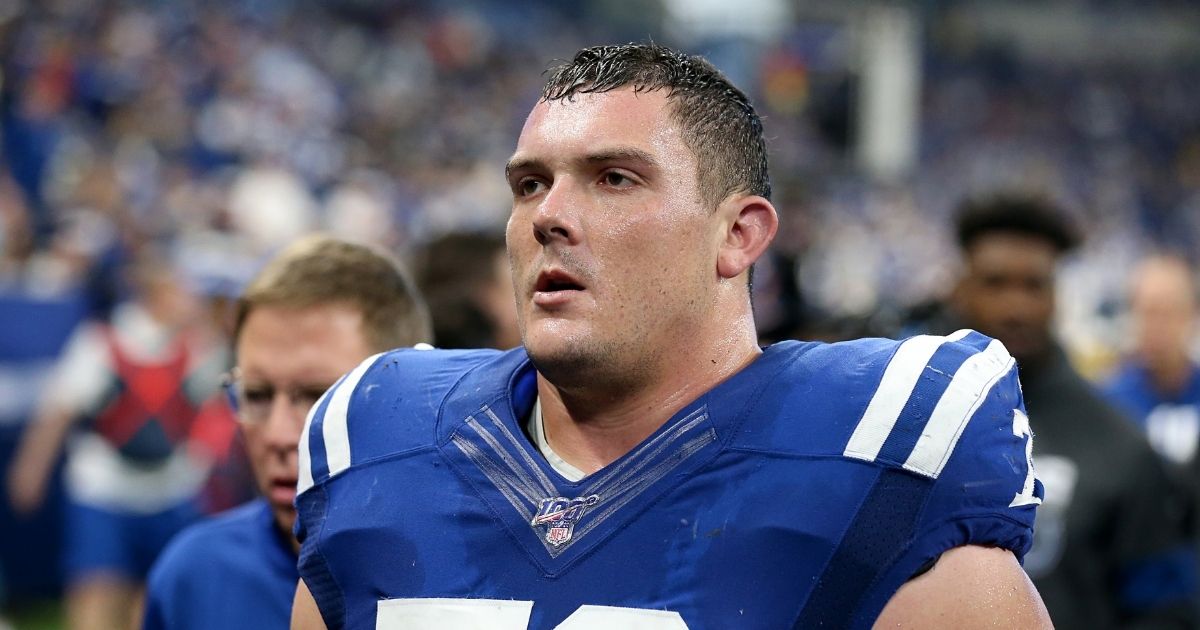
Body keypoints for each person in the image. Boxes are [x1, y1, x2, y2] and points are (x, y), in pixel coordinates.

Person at [291, 43, 1050, 630]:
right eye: (530, 184)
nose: (549, 215)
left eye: (613, 178)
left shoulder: (880, 473)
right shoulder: (380, 451)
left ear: (739, 236)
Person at [141, 235, 431, 629]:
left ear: (412, 392)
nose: (278, 435)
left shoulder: (477, 577)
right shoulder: (194, 576)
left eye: (320, 399)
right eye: (257, 395)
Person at [942, 195, 1194, 628]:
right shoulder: (904, 420)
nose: (1014, 308)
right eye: (995, 282)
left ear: (1057, 296)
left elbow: (1162, 611)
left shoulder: (1121, 444)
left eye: (1033, 285)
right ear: (959, 287)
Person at [6, 254, 225, 630]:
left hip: (171, 491)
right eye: (184, 292)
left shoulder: (202, 349)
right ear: (157, 294)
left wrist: (203, 467)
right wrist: (30, 471)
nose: (193, 301)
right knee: (96, 595)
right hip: (103, 492)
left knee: (161, 603)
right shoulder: (102, 342)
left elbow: (216, 409)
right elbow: (58, 411)